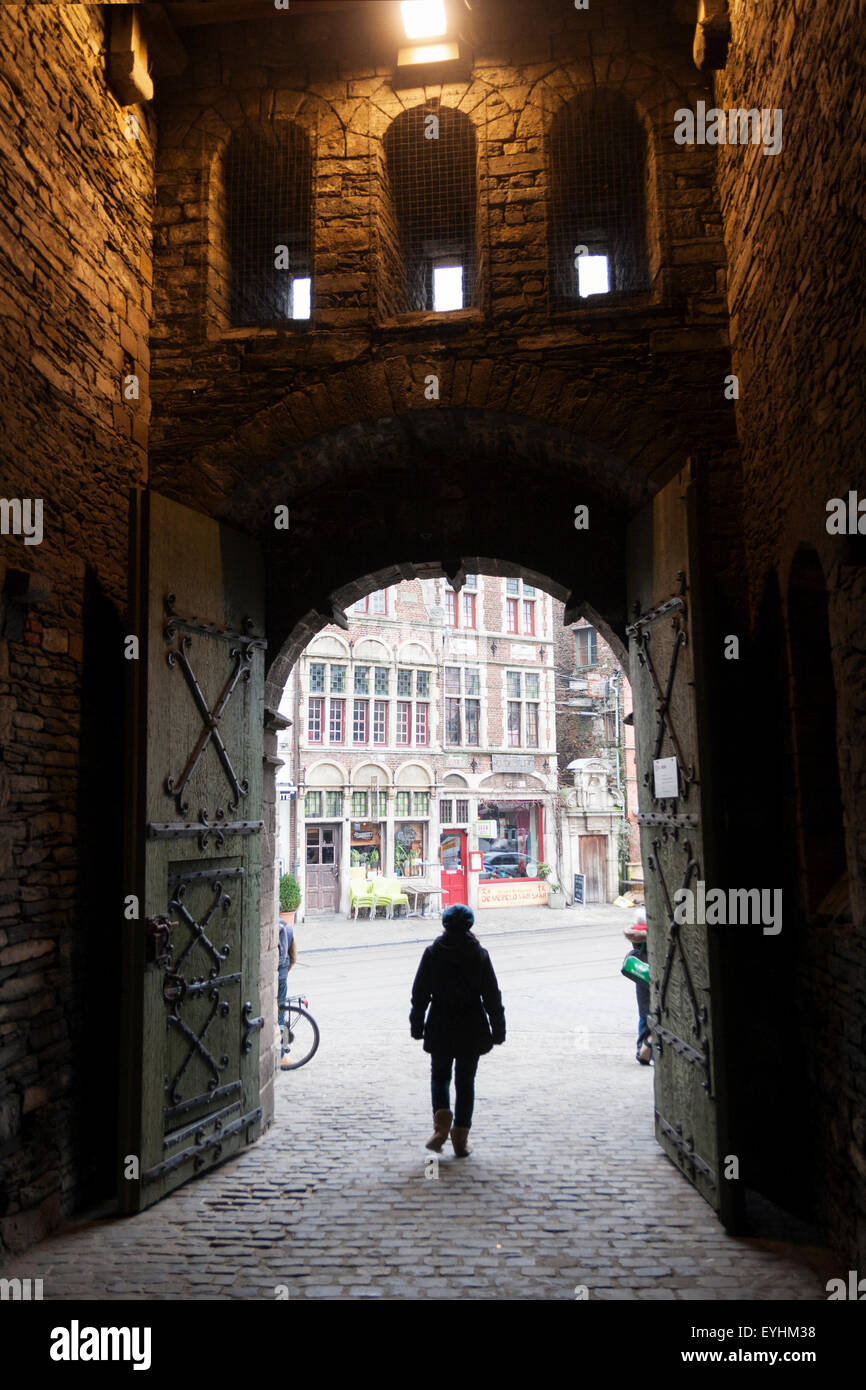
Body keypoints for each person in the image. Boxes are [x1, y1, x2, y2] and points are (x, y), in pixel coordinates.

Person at [409, 903, 505, 1156]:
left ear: (445, 925)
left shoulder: (433, 953)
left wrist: (417, 1024)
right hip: (471, 1025)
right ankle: (461, 1139)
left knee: (440, 1077)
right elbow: (492, 995)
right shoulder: (479, 955)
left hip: (440, 1023)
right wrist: (498, 1028)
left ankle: (440, 1129)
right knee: (465, 1082)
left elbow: (420, 994)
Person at [624, 905, 651, 1065]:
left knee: (643, 1014)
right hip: (651, 973)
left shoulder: (635, 933)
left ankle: (640, 1047)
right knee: (653, 1013)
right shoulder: (650, 935)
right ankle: (647, 1050)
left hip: (640, 975)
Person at [277, 917, 297, 1071]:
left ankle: (281, 1054)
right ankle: (283, 1055)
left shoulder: (275, 927)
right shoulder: (288, 928)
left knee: (276, 1018)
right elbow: (293, 956)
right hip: (282, 978)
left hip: (273, 977)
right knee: (280, 1017)